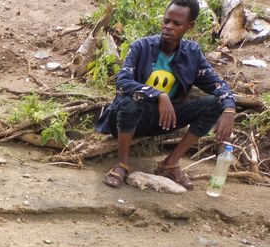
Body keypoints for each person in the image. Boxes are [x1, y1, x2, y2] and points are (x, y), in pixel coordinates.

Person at [95, 0, 237, 188]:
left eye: (176, 24)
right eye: (166, 21)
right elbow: (123, 80)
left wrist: (229, 109)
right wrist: (159, 95)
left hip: (163, 120)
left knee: (215, 103)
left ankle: (170, 162)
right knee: (130, 102)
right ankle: (122, 163)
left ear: (190, 26)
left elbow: (218, 85)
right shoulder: (141, 47)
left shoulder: (192, 54)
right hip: (125, 118)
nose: (169, 26)